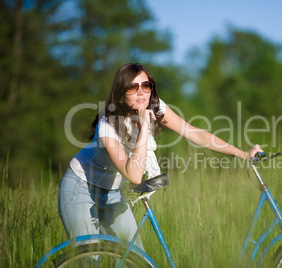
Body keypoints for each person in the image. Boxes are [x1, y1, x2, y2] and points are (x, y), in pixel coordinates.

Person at [58, 63, 263, 250]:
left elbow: (194, 133)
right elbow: (135, 175)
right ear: (121, 95)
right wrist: (145, 125)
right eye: (132, 87)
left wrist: (242, 153)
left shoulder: (155, 107)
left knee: (135, 255)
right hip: (81, 188)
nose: (141, 92)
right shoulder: (108, 125)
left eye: (145, 85)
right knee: (87, 258)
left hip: (112, 191)